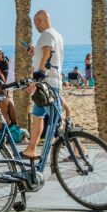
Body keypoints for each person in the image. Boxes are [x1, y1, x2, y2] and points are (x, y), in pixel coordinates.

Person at [21, 10, 71, 160]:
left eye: (35, 23)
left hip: (47, 85)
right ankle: (31, 149)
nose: (35, 27)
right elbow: (48, 55)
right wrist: (34, 52)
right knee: (37, 116)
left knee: (56, 119)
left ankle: (76, 149)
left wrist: (36, 79)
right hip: (48, 83)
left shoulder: (46, 35)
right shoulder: (57, 35)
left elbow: (47, 55)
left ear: (38, 21)